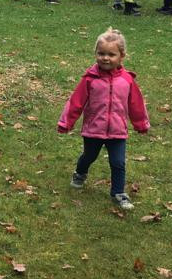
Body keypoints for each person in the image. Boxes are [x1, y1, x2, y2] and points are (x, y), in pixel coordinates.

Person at [58, 28, 150, 211]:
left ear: (122, 56)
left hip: (117, 131)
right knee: (89, 156)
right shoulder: (90, 79)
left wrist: (140, 123)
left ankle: (118, 192)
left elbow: (136, 104)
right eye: (101, 54)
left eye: (111, 54)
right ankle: (80, 173)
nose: (105, 58)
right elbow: (76, 102)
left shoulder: (127, 80)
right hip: (94, 129)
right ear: (95, 54)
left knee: (118, 162)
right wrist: (66, 122)